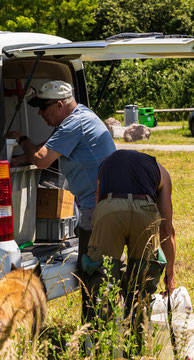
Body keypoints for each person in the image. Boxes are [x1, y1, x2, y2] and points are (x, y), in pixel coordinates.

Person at [7, 80, 116, 261]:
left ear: (59, 105)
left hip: (97, 206)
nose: (39, 112)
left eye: (43, 106)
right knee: (98, 263)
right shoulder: (79, 117)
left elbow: (41, 159)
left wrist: (21, 139)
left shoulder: (74, 123)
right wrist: (14, 161)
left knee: (91, 265)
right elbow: (46, 148)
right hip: (99, 203)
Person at [81, 149, 176, 352]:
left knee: (103, 281)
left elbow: (99, 207)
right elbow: (167, 228)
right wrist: (170, 273)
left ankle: (100, 355)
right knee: (142, 288)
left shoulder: (105, 165)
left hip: (109, 209)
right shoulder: (162, 172)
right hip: (146, 211)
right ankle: (137, 355)